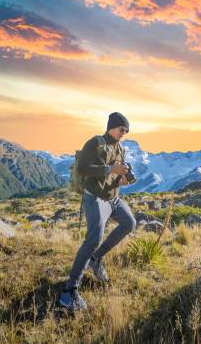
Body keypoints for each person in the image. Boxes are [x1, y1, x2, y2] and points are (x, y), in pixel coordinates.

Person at [59, 112, 136, 311]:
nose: (124, 133)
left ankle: (95, 259)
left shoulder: (120, 148)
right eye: (122, 129)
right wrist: (110, 170)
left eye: (126, 131)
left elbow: (116, 176)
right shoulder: (95, 143)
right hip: (95, 198)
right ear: (112, 126)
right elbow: (84, 169)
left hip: (114, 199)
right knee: (94, 238)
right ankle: (69, 291)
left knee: (130, 223)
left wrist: (123, 178)